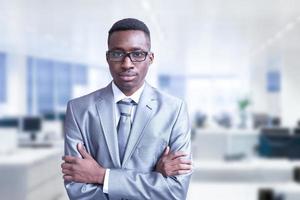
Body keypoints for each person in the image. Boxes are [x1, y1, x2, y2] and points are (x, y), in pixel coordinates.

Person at [61, 18, 192, 200]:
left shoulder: (174, 110)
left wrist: (101, 176)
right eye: (117, 54)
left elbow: (176, 191)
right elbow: (77, 189)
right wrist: (154, 177)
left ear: (150, 58)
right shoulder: (78, 110)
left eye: (137, 54)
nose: (127, 64)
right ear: (107, 57)